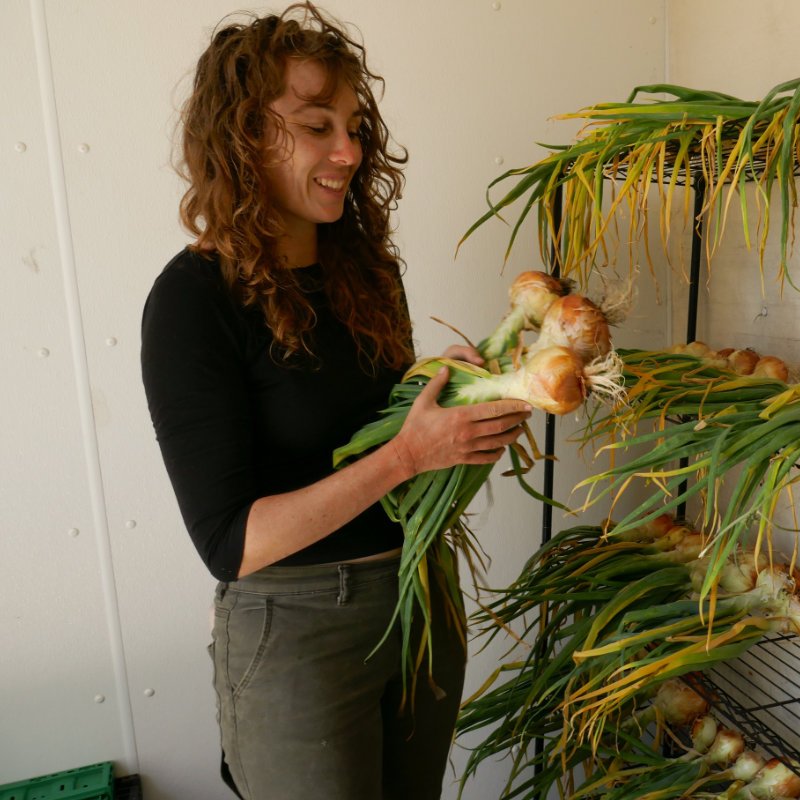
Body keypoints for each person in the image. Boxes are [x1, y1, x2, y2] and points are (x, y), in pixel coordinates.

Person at [140, 4, 531, 798]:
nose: (348, 152)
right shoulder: (192, 301)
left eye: (355, 125)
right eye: (317, 125)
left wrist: (447, 398)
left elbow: (376, 439)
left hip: (420, 601)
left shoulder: (365, 272)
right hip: (298, 633)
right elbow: (232, 542)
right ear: (246, 134)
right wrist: (407, 454)